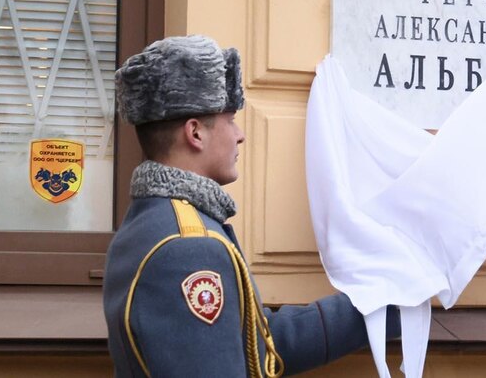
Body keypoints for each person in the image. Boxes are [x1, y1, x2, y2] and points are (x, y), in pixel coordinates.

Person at [103, 35, 393, 377]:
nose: (239, 134)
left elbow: (258, 343)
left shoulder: (156, 221)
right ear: (195, 133)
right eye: (230, 120)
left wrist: (388, 305)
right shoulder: (189, 248)